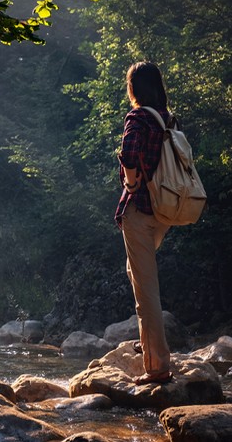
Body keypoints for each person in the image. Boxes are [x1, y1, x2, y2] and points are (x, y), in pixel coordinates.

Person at [114, 61, 173, 386]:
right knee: (136, 273)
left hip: (140, 209)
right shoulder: (166, 119)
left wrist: (133, 184)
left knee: (145, 291)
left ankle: (157, 367)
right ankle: (150, 341)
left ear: (134, 88)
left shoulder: (138, 117)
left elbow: (129, 150)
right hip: (164, 211)